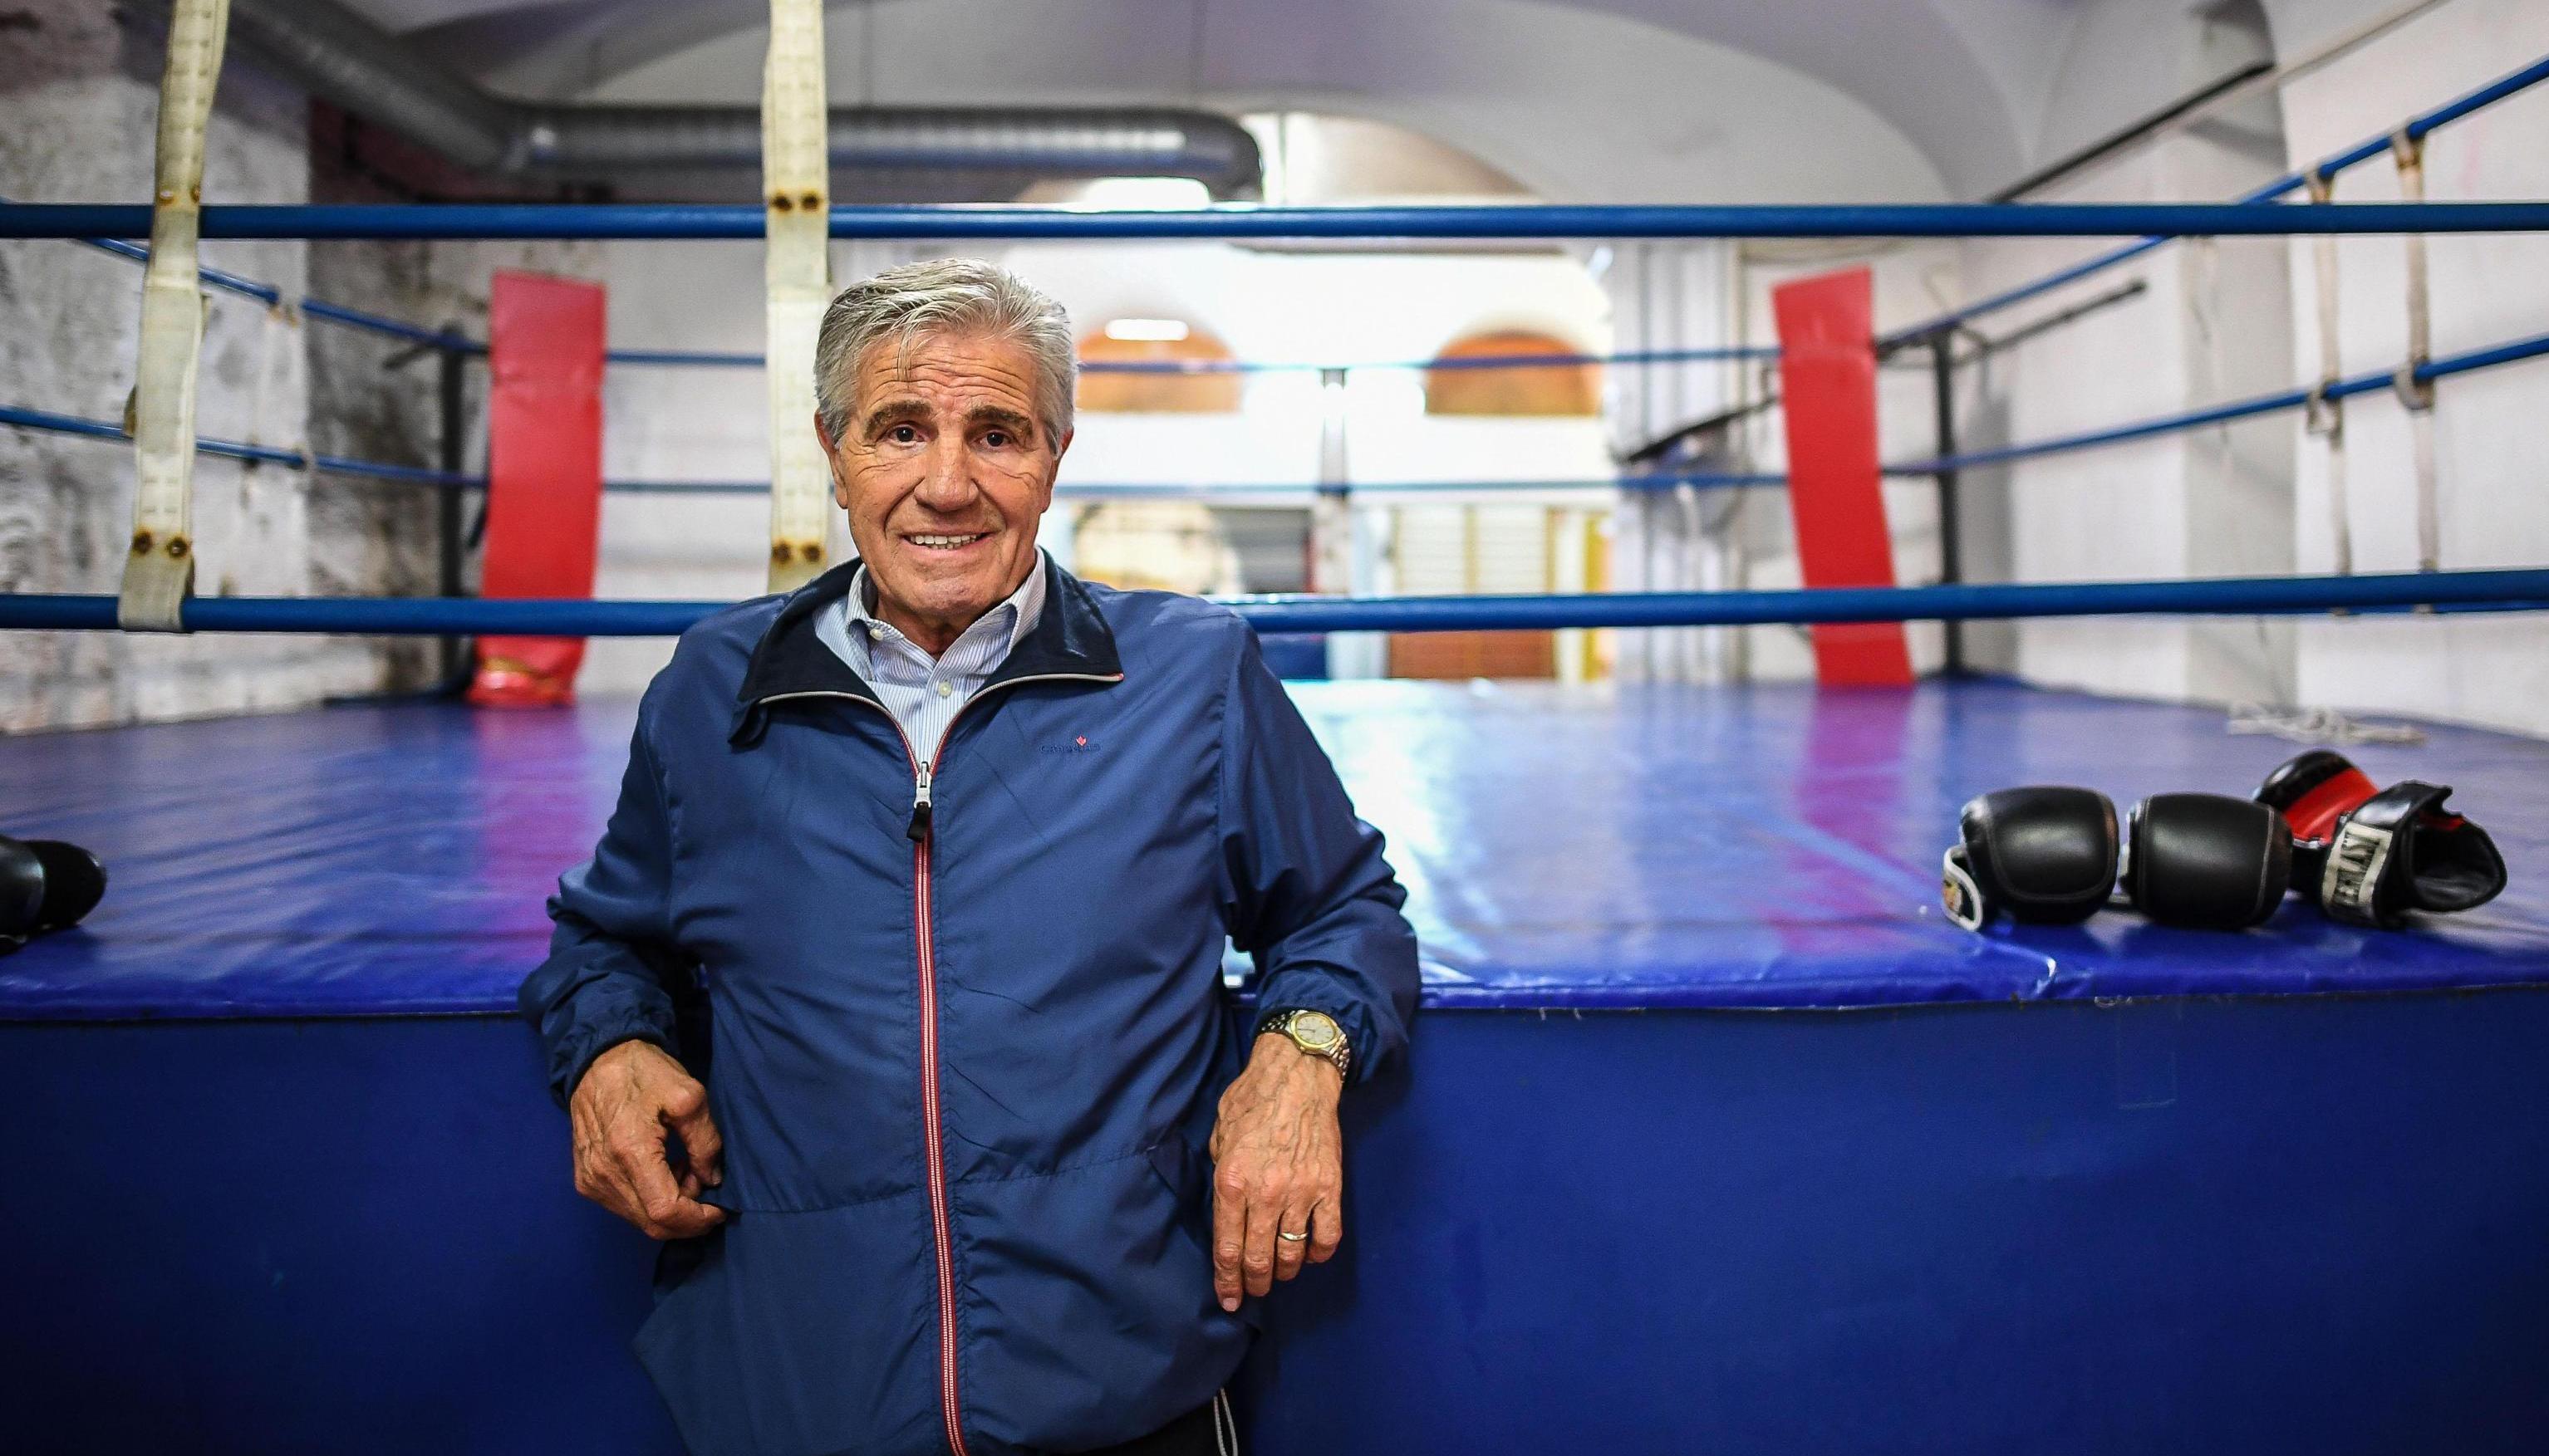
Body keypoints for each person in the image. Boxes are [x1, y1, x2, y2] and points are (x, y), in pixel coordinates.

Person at [518, 257, 1420, 1456]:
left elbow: (1345, 911)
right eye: (901, 430)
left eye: (996, 432)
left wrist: (1302, 1055)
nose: (948, 484)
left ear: (1054, 454)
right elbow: (603, 937)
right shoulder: (712, 693)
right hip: (799, 1399)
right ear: (835, 452)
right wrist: (611, 1044)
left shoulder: (1190, 679)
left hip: (1121, 1395)